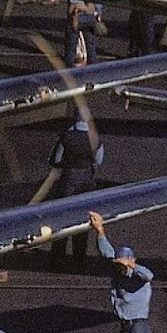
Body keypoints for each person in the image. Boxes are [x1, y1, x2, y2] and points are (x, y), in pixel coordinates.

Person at [40, 108, 104, 268]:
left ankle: (57, 256)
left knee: (62, 217)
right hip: (87, 180)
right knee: (84, 219)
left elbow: (55, 159)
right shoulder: (95, 138)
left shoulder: (66, 136)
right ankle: (79, 258)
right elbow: (99, 160)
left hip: (68, 179)